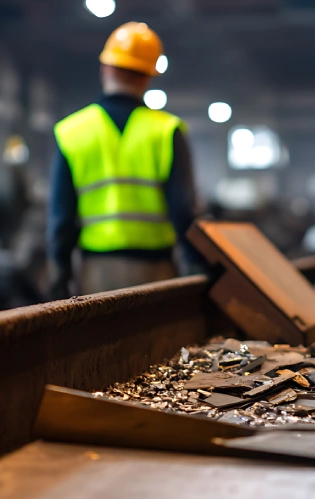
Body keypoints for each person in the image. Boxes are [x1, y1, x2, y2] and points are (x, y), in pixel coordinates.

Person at [47, 22, 201, 299]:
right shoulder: (167, 130)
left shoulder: (71, 131)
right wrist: (195, 266)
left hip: (96, 271)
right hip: (157, 273)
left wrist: (61, 272)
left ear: (106, 68)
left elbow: (61, 218)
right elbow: (184, 210)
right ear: (148, 76)